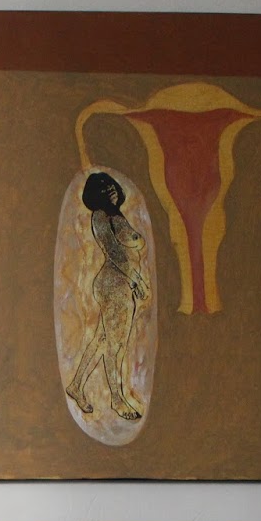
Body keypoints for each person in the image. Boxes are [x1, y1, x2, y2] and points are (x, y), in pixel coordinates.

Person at [65, 172, 149, 421]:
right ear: (96, 195)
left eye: (111, 186)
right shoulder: (100, 217)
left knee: (102, 339)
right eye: (104, 189)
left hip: (120, 282)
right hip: (114, 284)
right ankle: (117, 399)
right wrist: (136, 279)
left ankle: (77, 385)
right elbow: (114, 251)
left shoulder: (116, 215)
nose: (111, 190)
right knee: (116, 344)